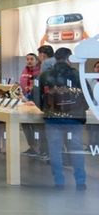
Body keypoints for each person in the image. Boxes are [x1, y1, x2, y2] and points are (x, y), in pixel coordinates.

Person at [32, 47, 87, 189]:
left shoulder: (45, 75)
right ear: (70, 59)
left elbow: (36, 96)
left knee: (54, 149)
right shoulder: (77, 75)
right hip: (75, 117)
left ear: (55, 58)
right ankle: (80, 181)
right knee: (76, 149)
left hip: (52, 118)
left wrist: (44, 108)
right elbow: (87, 96)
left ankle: (59, 181)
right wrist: (81, 109)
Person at [19, 52, 42, 156]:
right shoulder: (24, 70)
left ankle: (39, 147)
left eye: (31, 59)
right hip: (25, 100)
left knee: (36, 126)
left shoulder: (40, 71)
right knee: (25, 124)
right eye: (27, 59)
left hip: (36, 102)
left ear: (36, 60)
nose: (29, 61)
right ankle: (32, 146)